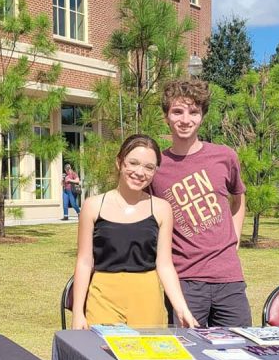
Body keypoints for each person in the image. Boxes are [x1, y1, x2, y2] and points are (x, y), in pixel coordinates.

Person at [149, 78, 252, 326]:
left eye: (194, 112)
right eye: (177, 111)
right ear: (166, 116)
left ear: (202, 116)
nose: (185, 120)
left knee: (241, 351)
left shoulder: (224, 156)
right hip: (185, 280)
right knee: (189, 355)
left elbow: (238, 197)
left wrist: (235, 238)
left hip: (229, 278)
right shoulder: (156, 166)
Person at [70, 135, 199, 329]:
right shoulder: (93, 206)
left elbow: (164, 264)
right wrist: (78, 312)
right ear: (119, 162)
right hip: (103, 297)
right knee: (104, 356)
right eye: (133, 163)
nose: (140, 172)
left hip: (148, 298)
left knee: (150, 357)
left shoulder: (162, 209)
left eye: (149, 167)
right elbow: (84, 261)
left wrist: (181, 308)